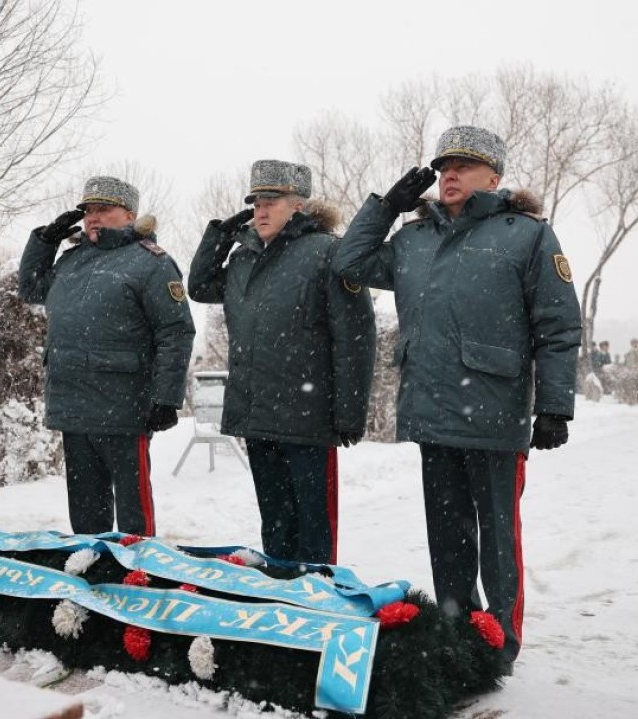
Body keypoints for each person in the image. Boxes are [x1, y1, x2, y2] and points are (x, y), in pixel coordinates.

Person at [333, 126, 581, 671]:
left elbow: (559, 325)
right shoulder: (413, 239)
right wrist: (386, 206)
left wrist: (555, 405)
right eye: (445, 165)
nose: (450, 174)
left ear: (494, 177)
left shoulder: (527, 235)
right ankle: (455, 626)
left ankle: (500, 641)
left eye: (465, 166)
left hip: (494, 413)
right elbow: (348, 263)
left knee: (496, 537)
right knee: (446, 535)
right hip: (432, 410)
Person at [188, 160, 375, 565]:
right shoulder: (242, 260)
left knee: (314, 530)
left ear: (299, 207)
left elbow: (355, 338)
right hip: (257, 416)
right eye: (255, 201)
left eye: (272, 201)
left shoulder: (328, 253)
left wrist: (349, 411)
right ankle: (278, 601)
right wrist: (220, 235)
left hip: (308, 420)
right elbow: (200, 287)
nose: (261, 209)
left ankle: (318, 604)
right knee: (275, 525)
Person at [19, 176, 194, 537]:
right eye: (88, 211)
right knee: (86, 516)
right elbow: (31, 289)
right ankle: (93, 571)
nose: (92, 218)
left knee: (134, 517)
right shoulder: (70, 261)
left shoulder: (151, 263)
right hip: (73, 405)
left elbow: (175, 332)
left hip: (124, 408)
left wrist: (166, 398)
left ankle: (141, 575)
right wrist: (45, 241)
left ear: (129, 215)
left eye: (103, 210)